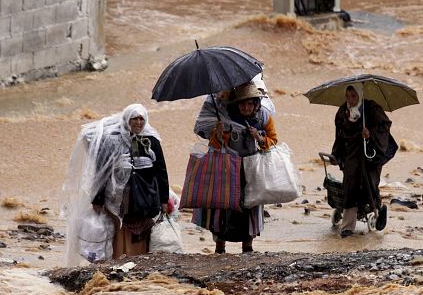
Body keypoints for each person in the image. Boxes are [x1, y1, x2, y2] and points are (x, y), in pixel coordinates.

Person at [63, 104, 169, 264]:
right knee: (119, 232)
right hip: (118, 200)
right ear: (127, 120)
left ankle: (139, 264)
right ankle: (119, 262)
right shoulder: (113, 142)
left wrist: (164, 200)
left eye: (142, 119)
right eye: (135, 119)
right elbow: (102, 172)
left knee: (142, 234)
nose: (138, 122)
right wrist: (97, 200)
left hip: (145, 200)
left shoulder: (152, 142)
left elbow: (160, 171)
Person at [192, 82, 278, 253]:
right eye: (242, 103)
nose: (246, 107)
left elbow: (273, 141)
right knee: (223, 207)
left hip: (252, 171)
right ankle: (220, 246)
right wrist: (218, 134)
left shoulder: (263, 118)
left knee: (250, 206)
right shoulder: (224, 117)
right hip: (227, 170)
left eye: (250, 103)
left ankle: (248, 245)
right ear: (236, 103)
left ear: (255, 104)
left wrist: (259, 138)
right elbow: (215, 145)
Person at [331, 84, 393, 237]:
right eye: (348, 96)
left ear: (360, 95)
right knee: (350, 185)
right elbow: (339, 135)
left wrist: (370, 133)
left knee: (370, 183)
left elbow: (384, 126)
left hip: (370, 154)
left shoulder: (372, 109)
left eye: (353, 96)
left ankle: (378, 210)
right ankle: (347, 227)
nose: (350, 100)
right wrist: (336, 154)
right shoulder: (342, 112)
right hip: (351, 155)